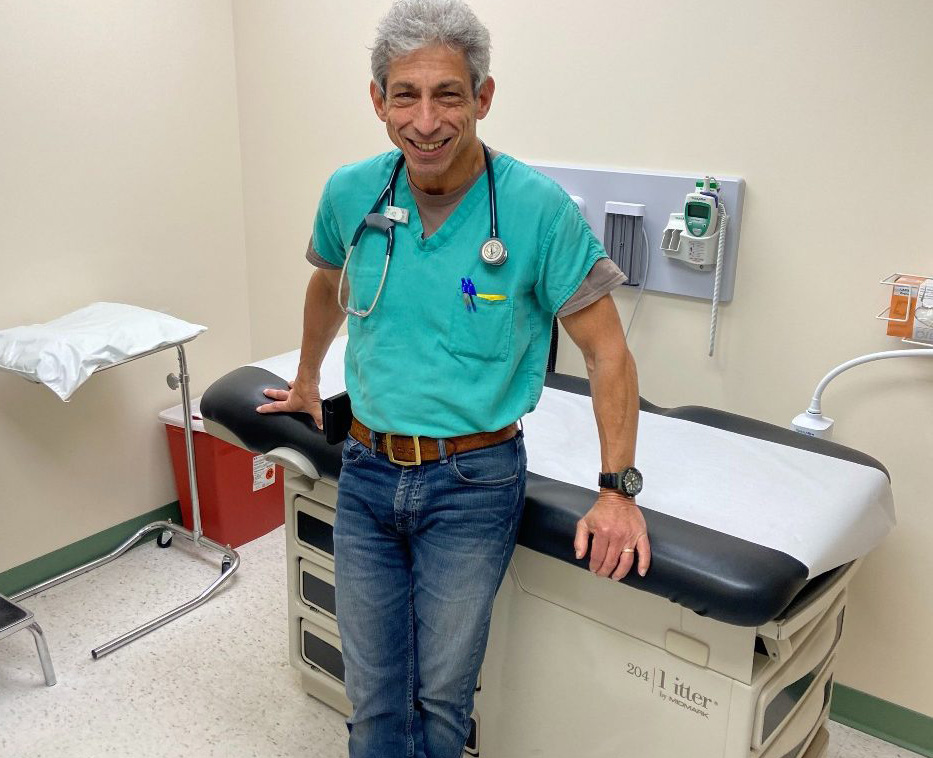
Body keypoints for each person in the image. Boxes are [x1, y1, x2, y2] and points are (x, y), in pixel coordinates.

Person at [258, 1, 650, 755]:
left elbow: (608, 353)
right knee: (372, 697)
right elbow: (325, 285)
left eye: (447, 95)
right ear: (378, 100)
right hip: (368, 472)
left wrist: (616, 489)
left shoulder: (536, 211)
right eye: (405, 94)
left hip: (474, 481)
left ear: (482, 98)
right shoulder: (352, 193)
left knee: (439, 698)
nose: (425, 119)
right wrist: (307, 381)